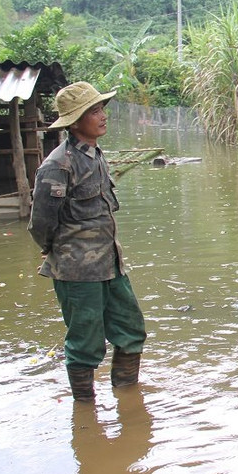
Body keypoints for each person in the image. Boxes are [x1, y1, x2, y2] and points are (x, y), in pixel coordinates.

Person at [28, 81, 147, 401]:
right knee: (85, 343)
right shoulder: (58, 164)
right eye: (94, 111)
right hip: (77, 270)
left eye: (102, 109)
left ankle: (128, 400)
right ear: (76, 120)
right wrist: (62, 253)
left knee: (132, 330)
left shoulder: (95, 155)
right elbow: (40, 223)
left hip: (110, 262)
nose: (102, 116)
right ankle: (85, 413)